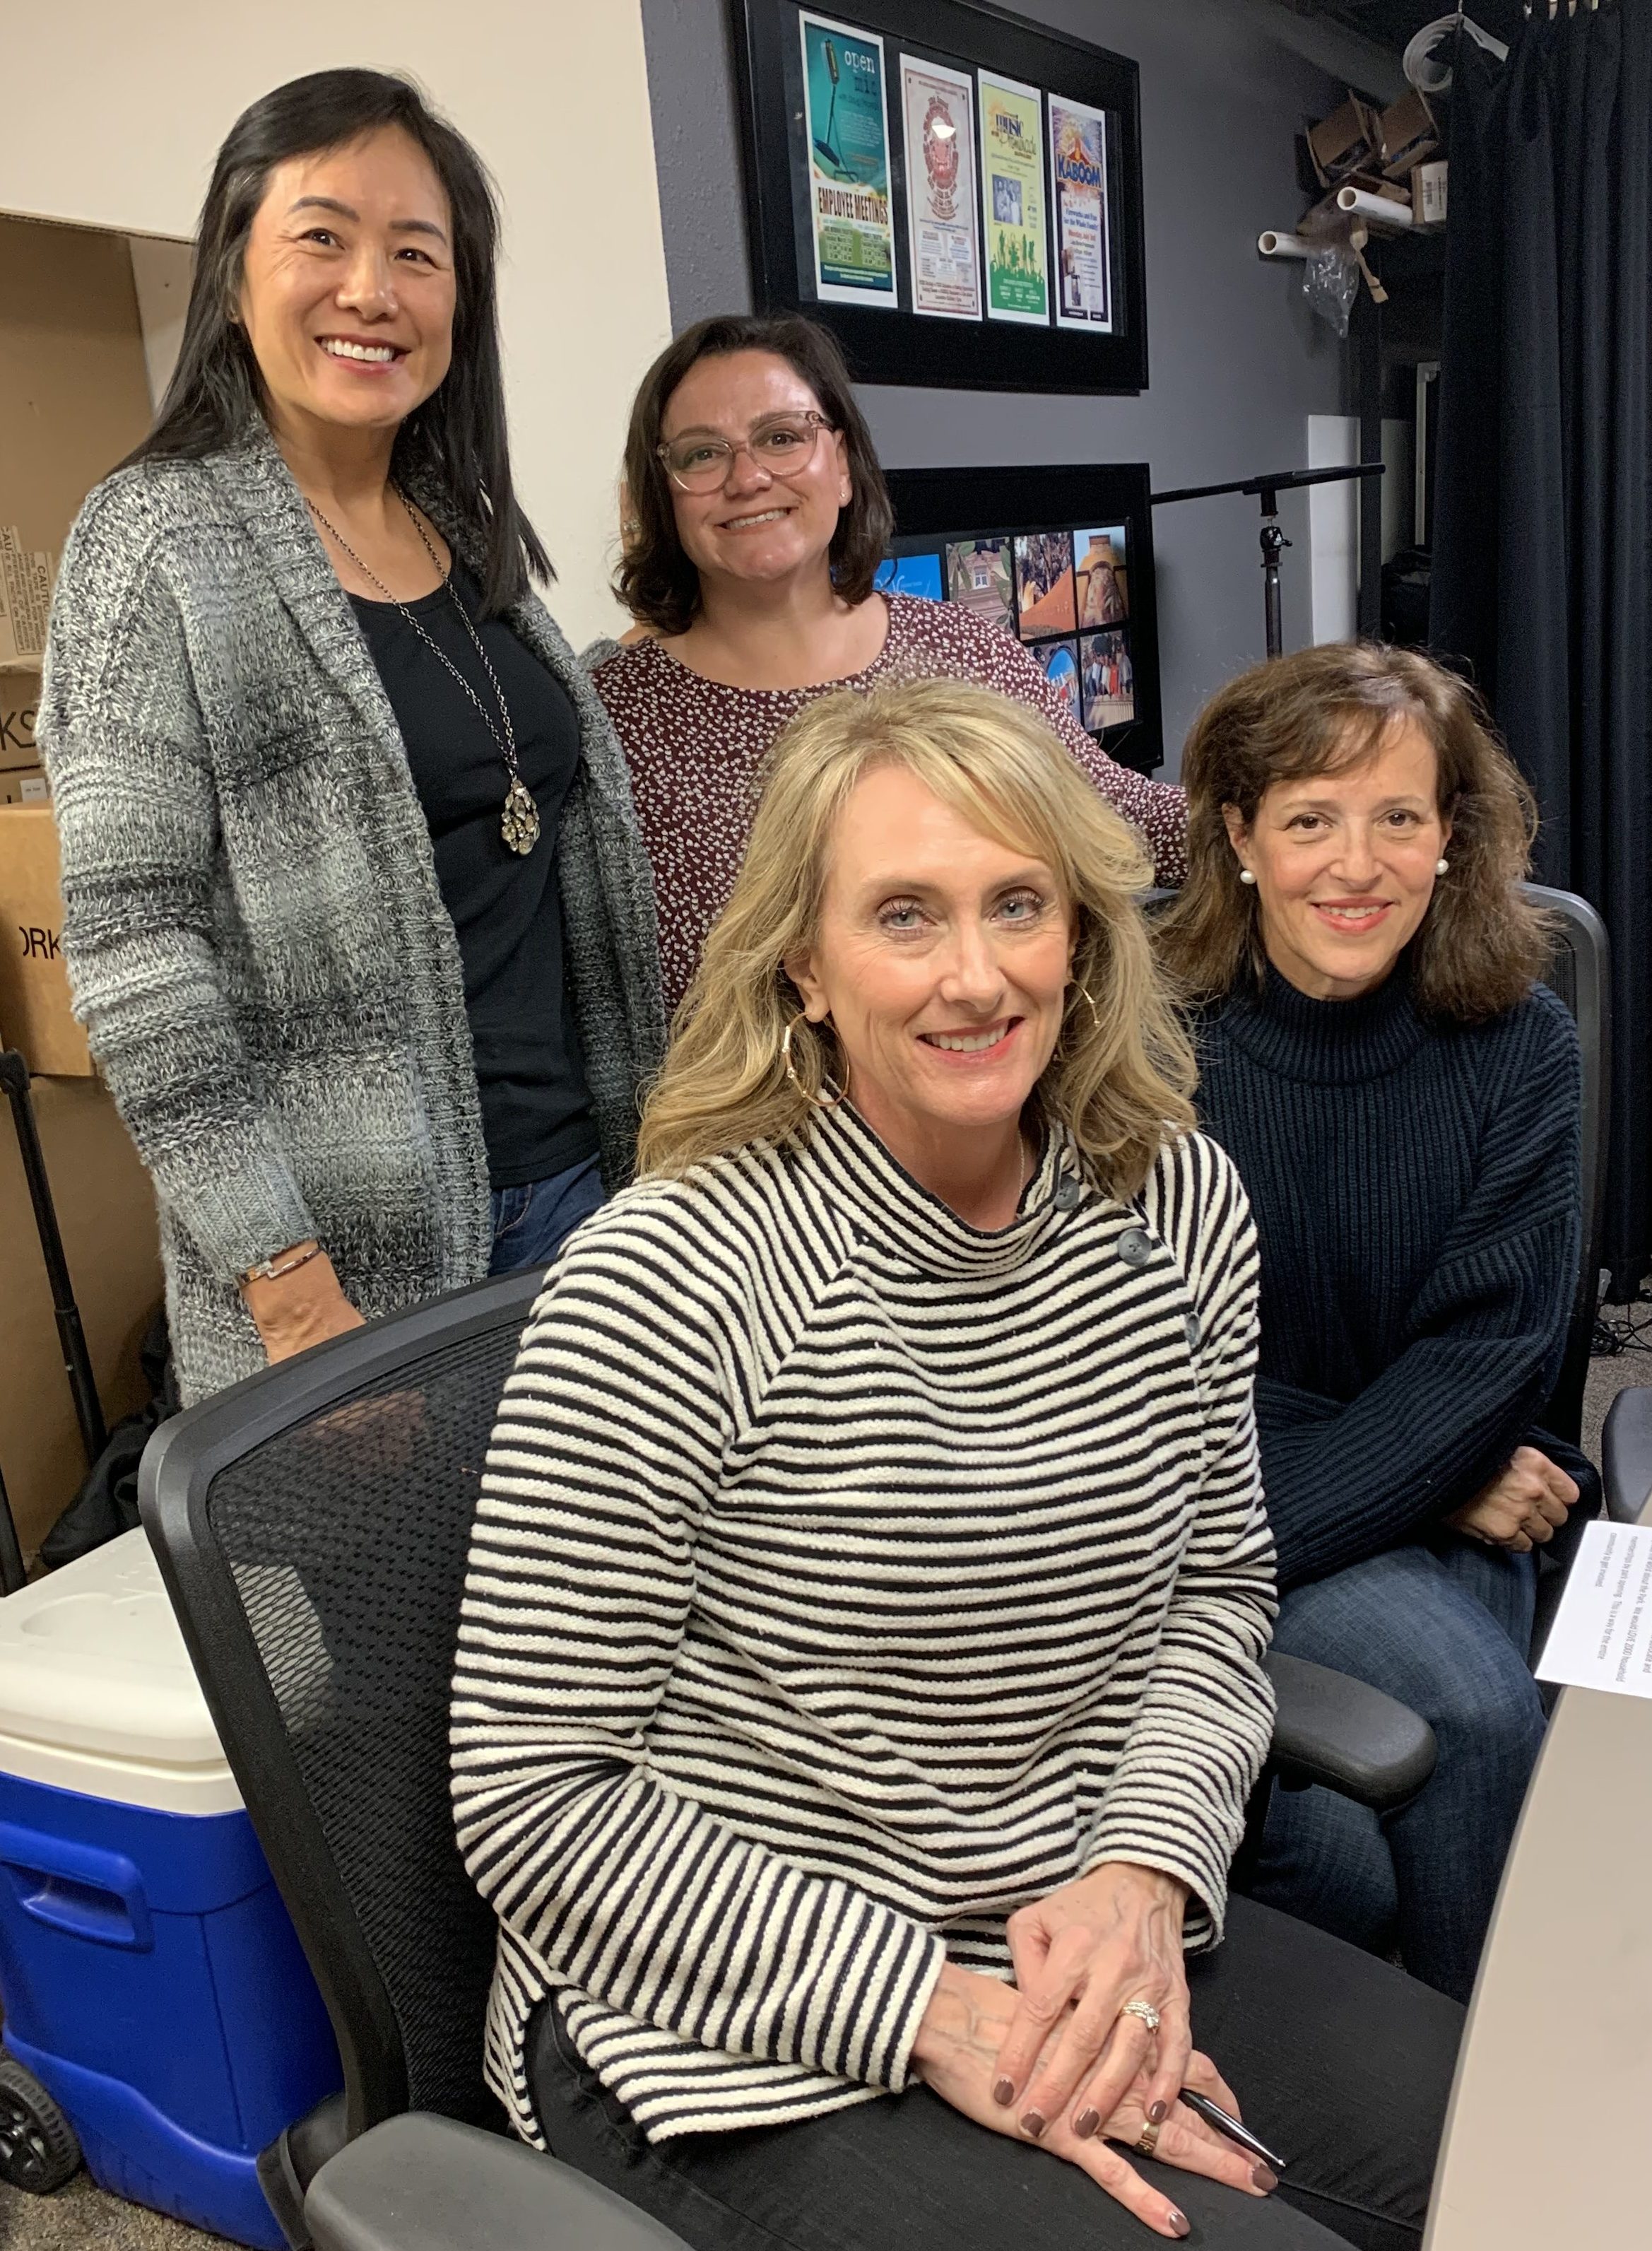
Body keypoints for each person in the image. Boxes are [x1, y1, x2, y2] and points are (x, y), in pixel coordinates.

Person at [452, 678, 1459, 2251]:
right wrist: (922, 2001)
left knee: (1556, 2146)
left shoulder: (1174, 1202)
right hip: (723, 2010)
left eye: (1015, 905)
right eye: (903, 915)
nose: (973, 974)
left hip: (1070, 1930)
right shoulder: (670, 1274)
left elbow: (1214, 1590)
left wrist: (1142, 1864)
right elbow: (531, 1791)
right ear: (803, 961)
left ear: (1081, 934)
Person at [40, 70, 662, 1405]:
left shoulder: (458, 522)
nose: (372, 291)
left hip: (582, 1199)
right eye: (322, 237)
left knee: (593, 1611)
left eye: (416, 254)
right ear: (233, 269)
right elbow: (135, 953)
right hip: (355, 1271)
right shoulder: (156, 541)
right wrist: (286, 1280)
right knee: (413, 1618)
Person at [1155, 643, 1596, 2004]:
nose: (1355, 865)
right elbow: (1153, 1374)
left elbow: (1483, 1358)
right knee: (1339, 1867)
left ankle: (1494, 2076)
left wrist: (1442, 1443)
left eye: (1397, 817)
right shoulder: (1149, 1040)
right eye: (1307, 819)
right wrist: (1441, 1473)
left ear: (1450, 840)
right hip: (1241, 1505)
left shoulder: (1521, 1045)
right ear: (1237, 836)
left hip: (1355, 1495)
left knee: (1462, 1716)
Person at [591, 312, 1187, 1016]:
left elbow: (1118, 818)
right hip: (736, 1118)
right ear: (661, 493)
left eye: (781, 437)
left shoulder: (965, 654)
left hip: (971, 1084)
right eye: (700, 454)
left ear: (840, 465)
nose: (747, 476)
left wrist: (1298, 816)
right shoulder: (605, 719)